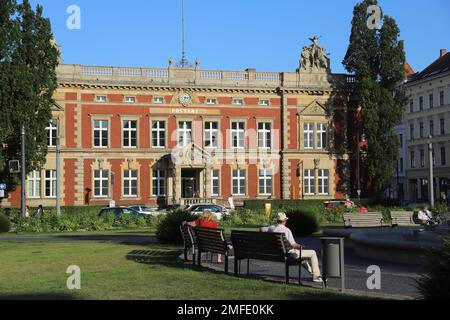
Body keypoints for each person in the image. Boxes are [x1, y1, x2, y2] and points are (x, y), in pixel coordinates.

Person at [266, 212, 323, 283]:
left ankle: (314, 274)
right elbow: (293, 245)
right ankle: (316, 276)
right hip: (289, 254)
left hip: (277, 253)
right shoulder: (286, 230)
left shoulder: (271, 228)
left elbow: (261, 229)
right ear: (284, 221)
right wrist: (301, 246)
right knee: (313, 252)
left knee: (302, 258)